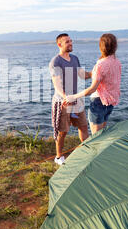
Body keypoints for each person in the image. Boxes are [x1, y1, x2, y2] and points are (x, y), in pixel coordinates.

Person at [64, 33, 121, 134]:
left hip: (99, 102)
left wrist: (74, 97)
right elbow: (95, 76)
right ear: (115, 46)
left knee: (96, 137)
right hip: (110, 103)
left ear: (101, 47)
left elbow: (92, 89)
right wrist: (78, 71)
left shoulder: (101, 64)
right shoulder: (116, 62)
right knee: (102, 135)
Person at [49, 33, 92, 165]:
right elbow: (57, 84)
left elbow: (83, 75)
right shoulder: (55, 62)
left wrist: (96, 72)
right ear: (59, 44)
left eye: (71, 41)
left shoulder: (74, 58)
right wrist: (65, 97)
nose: (70, 43)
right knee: (62, 132)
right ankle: (59, 157)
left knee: (83, 127)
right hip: (62, 102)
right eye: (67, 42)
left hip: (76, 99)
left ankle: (87, 153)